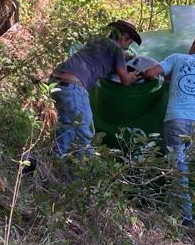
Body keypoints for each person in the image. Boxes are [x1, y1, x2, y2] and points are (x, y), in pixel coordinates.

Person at [143, 34, 195, 226]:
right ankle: (173, 213)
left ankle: (186, 220)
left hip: (177, 119)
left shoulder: (177, 58)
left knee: (177, 171)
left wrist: (143, 74)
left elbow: (152, 73)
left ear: (193, 45)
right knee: (182, 170)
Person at [49, 20, 142, 159]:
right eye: (129, 43)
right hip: (74, 87)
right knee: (86, 134)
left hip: (55, 82)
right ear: (124, 38)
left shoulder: (97, 42)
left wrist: (124, 57)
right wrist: (134, 76)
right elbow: (125, 81)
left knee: (66, 127)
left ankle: (55, 163)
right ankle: (85, 176)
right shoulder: (116, 49)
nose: (127, 48)